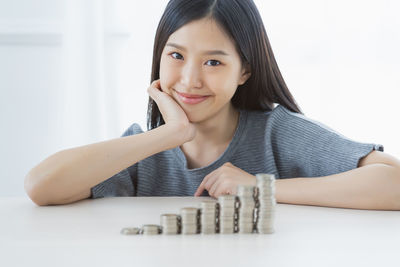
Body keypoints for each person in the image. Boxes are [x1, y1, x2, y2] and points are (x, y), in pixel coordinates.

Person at [24, 0, 400, 210]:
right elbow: (41, 186)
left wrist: (259, 187)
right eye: (176, 56)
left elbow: (394, 183)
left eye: (214, 62)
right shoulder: (143, 149)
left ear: (244, 72)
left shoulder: (277, 132)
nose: (189, 80)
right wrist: (169, 135)